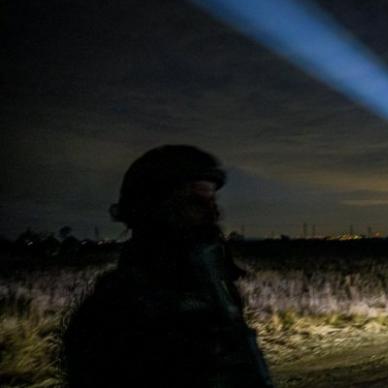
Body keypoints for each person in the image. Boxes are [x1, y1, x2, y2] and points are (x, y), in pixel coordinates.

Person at [62, 145, 273, 387]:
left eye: (212, 197)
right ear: (158, 205)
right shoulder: (114, 310)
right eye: (199, 197)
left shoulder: (215, 287)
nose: (214, 210)